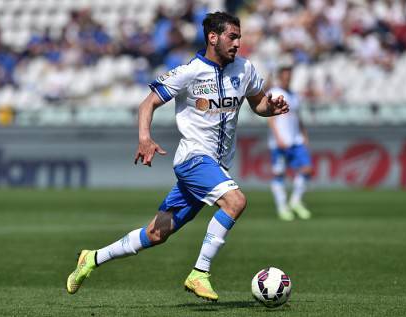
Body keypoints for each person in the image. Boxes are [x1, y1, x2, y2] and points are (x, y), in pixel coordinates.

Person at [66, 11, 289, 302]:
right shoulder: (189, 71)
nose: (237, 43)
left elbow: (259, 104)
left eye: (239, 37)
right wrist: (145, 138)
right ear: (213, 37)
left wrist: (272, 108)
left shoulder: (244, 69)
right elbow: (148, 103)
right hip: (193, 159)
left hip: (215, 165)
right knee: (236, 201)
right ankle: (200, 272)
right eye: (232, 37)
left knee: (156, 234)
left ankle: (91, 259)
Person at [267, 65, 313, 221]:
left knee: (307, 169)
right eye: (285, 76)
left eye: (289, 76)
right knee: (279, 174)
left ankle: (295, 201)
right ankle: (282, 208)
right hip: (280, 142)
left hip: (296, 139)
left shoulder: (294, 95)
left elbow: (297, 117)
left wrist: (304, 135)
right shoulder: (274, 93)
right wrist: (278, 137)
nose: (287, 79)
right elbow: (271, 118)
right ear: (280, 77)